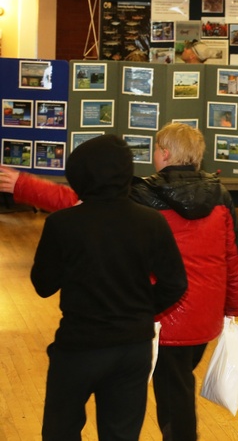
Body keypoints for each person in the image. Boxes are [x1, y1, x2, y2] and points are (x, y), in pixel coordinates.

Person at [30, 135, 188, 440]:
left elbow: (43, 285)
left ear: (80, 175)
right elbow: (175, 283)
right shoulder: (151, 222)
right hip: (132, 347)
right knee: (121, 435)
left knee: (60, 432)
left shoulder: (63, 224)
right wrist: (142, 310)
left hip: (78, 347)